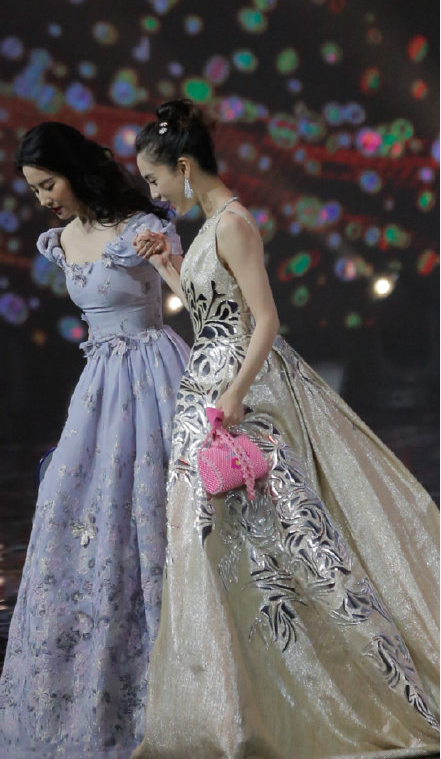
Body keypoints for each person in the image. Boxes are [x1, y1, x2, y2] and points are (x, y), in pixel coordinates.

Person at [129, 99, 439, 759]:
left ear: (183, 167)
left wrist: (236, 395)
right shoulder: (210, 225)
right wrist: (166, 265)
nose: (154, 194)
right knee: (226, 547)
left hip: (239, 397)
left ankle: (350, 686)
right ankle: (248, 701)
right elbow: (211, 312)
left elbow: (263, 320)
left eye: (155, 180)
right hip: (209, 389)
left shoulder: (234, 223)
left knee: (294, 544)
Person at [0, 122, 189, 758]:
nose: (43, 199)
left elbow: (193, 295)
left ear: (75, 171)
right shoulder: (60, 241)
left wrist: (173, 263)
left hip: (155, 375)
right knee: (77, 514)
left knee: (156, 513)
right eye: (33, 189)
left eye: (48, 184)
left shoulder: (140, 228)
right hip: (99, 386)